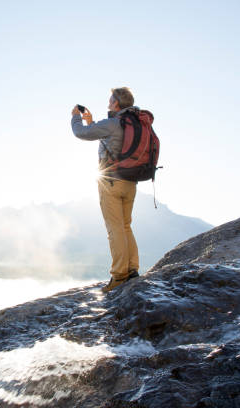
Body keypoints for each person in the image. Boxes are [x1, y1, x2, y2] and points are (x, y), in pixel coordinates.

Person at [70, 87, 140, 293]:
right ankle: (133, 269)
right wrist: (92, 122)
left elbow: (80, 133)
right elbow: (111, 139)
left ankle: (119, 276)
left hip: (111, 182)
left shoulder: (113, 123)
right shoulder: (134, 123)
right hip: (131, 182)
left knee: (114, 228)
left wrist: (76, 118)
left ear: (117, 103)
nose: (108, 102)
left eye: (111, 100)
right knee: (126, 225)